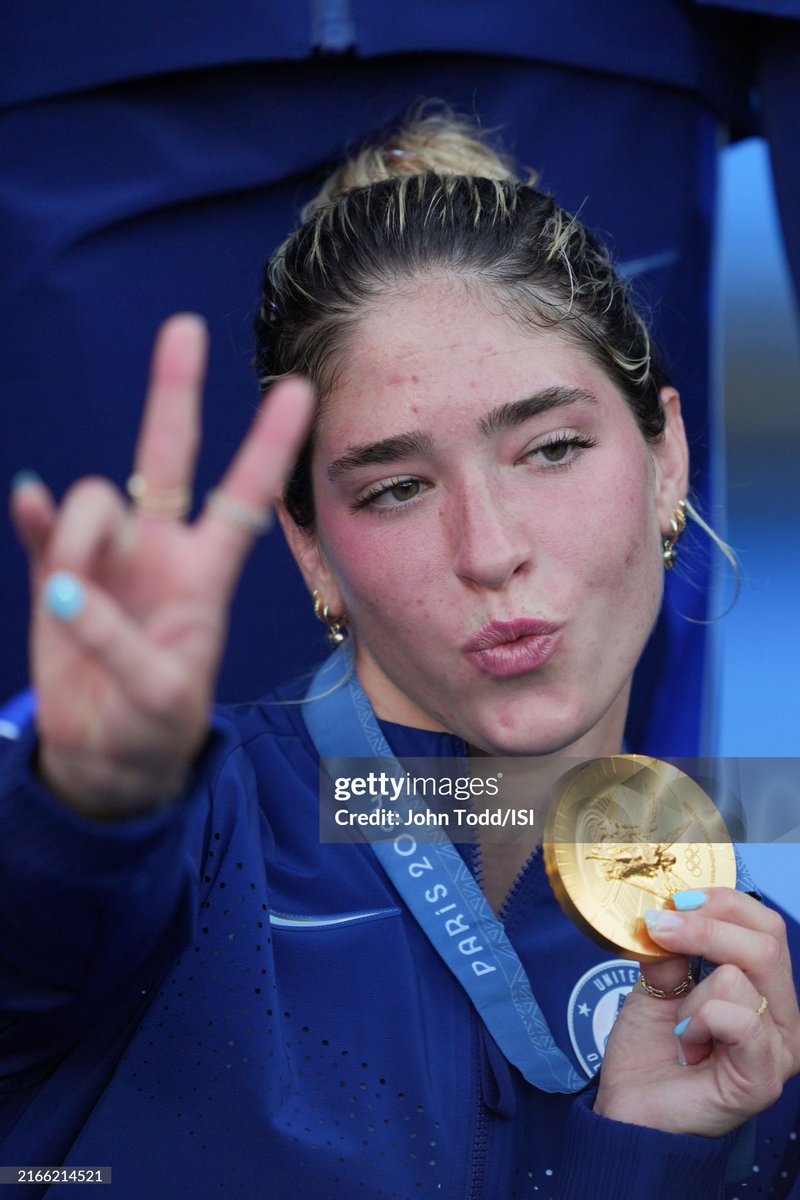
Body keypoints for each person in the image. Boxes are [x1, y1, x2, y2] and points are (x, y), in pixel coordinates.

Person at [1, 113, 799, 1199]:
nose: (489, 550)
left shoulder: (747, 979)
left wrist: (646, 1156)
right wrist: (87, 812)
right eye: (395, 488)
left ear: (666, 459)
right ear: (311, 550)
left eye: (551, 448)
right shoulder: (184, 848)